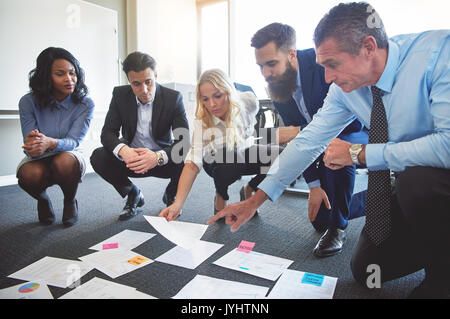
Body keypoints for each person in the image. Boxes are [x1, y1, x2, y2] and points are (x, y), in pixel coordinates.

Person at [209, 2, 450, 298]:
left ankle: (442, 276)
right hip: (412, 187)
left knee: (418, 180)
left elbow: (447, 146)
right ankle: (435, 243)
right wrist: (254, 201)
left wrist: (360, 154)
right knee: (367, 270)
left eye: (333, 64)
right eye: (323, 66)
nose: (326, 78)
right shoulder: (343, 90)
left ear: (369, 47)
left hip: (433, 179)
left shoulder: (439, 55)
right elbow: (308, 141)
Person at [250, 22, 369, 258]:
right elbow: (300, 143)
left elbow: (346, 122)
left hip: (356, 133)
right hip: (317, 143)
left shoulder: (324, 65)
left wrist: (297, 131)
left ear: (291, 54)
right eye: (260, 66)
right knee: (320, 219)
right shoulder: (278, 85)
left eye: (271, 63)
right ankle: (378, 198)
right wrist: (314, 186)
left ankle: (339, 227)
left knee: (333, 148)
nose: (265, 73)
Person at [159, 69, 286, 221]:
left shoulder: (249, 101)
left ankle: (249, 188)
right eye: (205, 99)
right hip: (216, 160)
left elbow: (254, 129)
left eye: (217, 96)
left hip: (245, 150)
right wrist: (177, 204)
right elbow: (192, 164)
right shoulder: (203, 121)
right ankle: (221, 195)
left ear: (228, 91)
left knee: (284, 156)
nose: (211, 104)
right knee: (231, 157)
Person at [90, 51, 189, 221]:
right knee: (98, 156)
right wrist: (124, 151)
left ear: (156, 76)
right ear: (129, 81)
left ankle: (171, 195)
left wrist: (157, 157)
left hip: (161, 160)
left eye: (148, 82)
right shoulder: (120, 95)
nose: (144, 90)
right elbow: (107, 133)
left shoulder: (173, 98)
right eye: (136, 84)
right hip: (131, 159)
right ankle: (132, 193)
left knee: (187, 158)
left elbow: (184, 142)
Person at [17, 47, 94, 227]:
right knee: (28, 175)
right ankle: (43, 199)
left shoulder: (85, 103)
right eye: (60, 74)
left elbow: (74, 141)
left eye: (72, 73)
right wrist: (33, 145)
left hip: (69, 153)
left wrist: (50, 143)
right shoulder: (27, 102)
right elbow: (30, 142)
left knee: (65, 162)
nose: (69, 79)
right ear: (46, 77)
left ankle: (69, 200)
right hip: (40, 157)